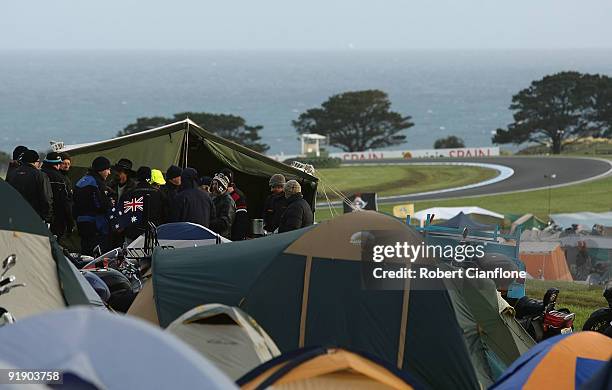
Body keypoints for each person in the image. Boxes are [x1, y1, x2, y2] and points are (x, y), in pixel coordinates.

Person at [73, 156, 113, 256]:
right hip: (96, 225)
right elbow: (100, 205)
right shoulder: (96, 183)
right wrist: (110, 203)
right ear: (101, 169)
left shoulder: (81, 181)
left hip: (81, 224)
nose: (109, 172)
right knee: (98, 256)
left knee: (85, 253)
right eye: (108, 169)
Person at [118, 167, 167, 243]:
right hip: (152, 235)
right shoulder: (160, 194)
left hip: (132, 235)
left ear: (137, 177)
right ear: (150, 177)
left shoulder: (128, 193)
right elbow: (165, 215)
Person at [7, 149, 53, 223]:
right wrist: (47, 218)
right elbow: (46, 198)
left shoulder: (12, 174)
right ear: (36, 161)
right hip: (35, 217)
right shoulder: (40, 175)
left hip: (15, 216)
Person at [41, 152, 73, 238]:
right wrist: (70, 222)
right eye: (63, 163)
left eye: (68, 164)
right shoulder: (60, 179)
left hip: (39, 217)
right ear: (58, 164)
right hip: (57, 218)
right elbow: (65, 202)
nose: (66, 166)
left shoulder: (39, 174)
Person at [221, 168, 249, 240]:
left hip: (232, 237)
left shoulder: (238, 196)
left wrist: (236, 239)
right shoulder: (219, 195)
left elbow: (241, 220)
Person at [210, 173, 235, 239]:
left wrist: (208, 222)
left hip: (222, 237)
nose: (213, 186)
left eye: (215, 184)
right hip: (214, 236)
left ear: (221, 185)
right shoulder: (215, 198)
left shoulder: (228, 201)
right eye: (213, 184)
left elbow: (225, 223)